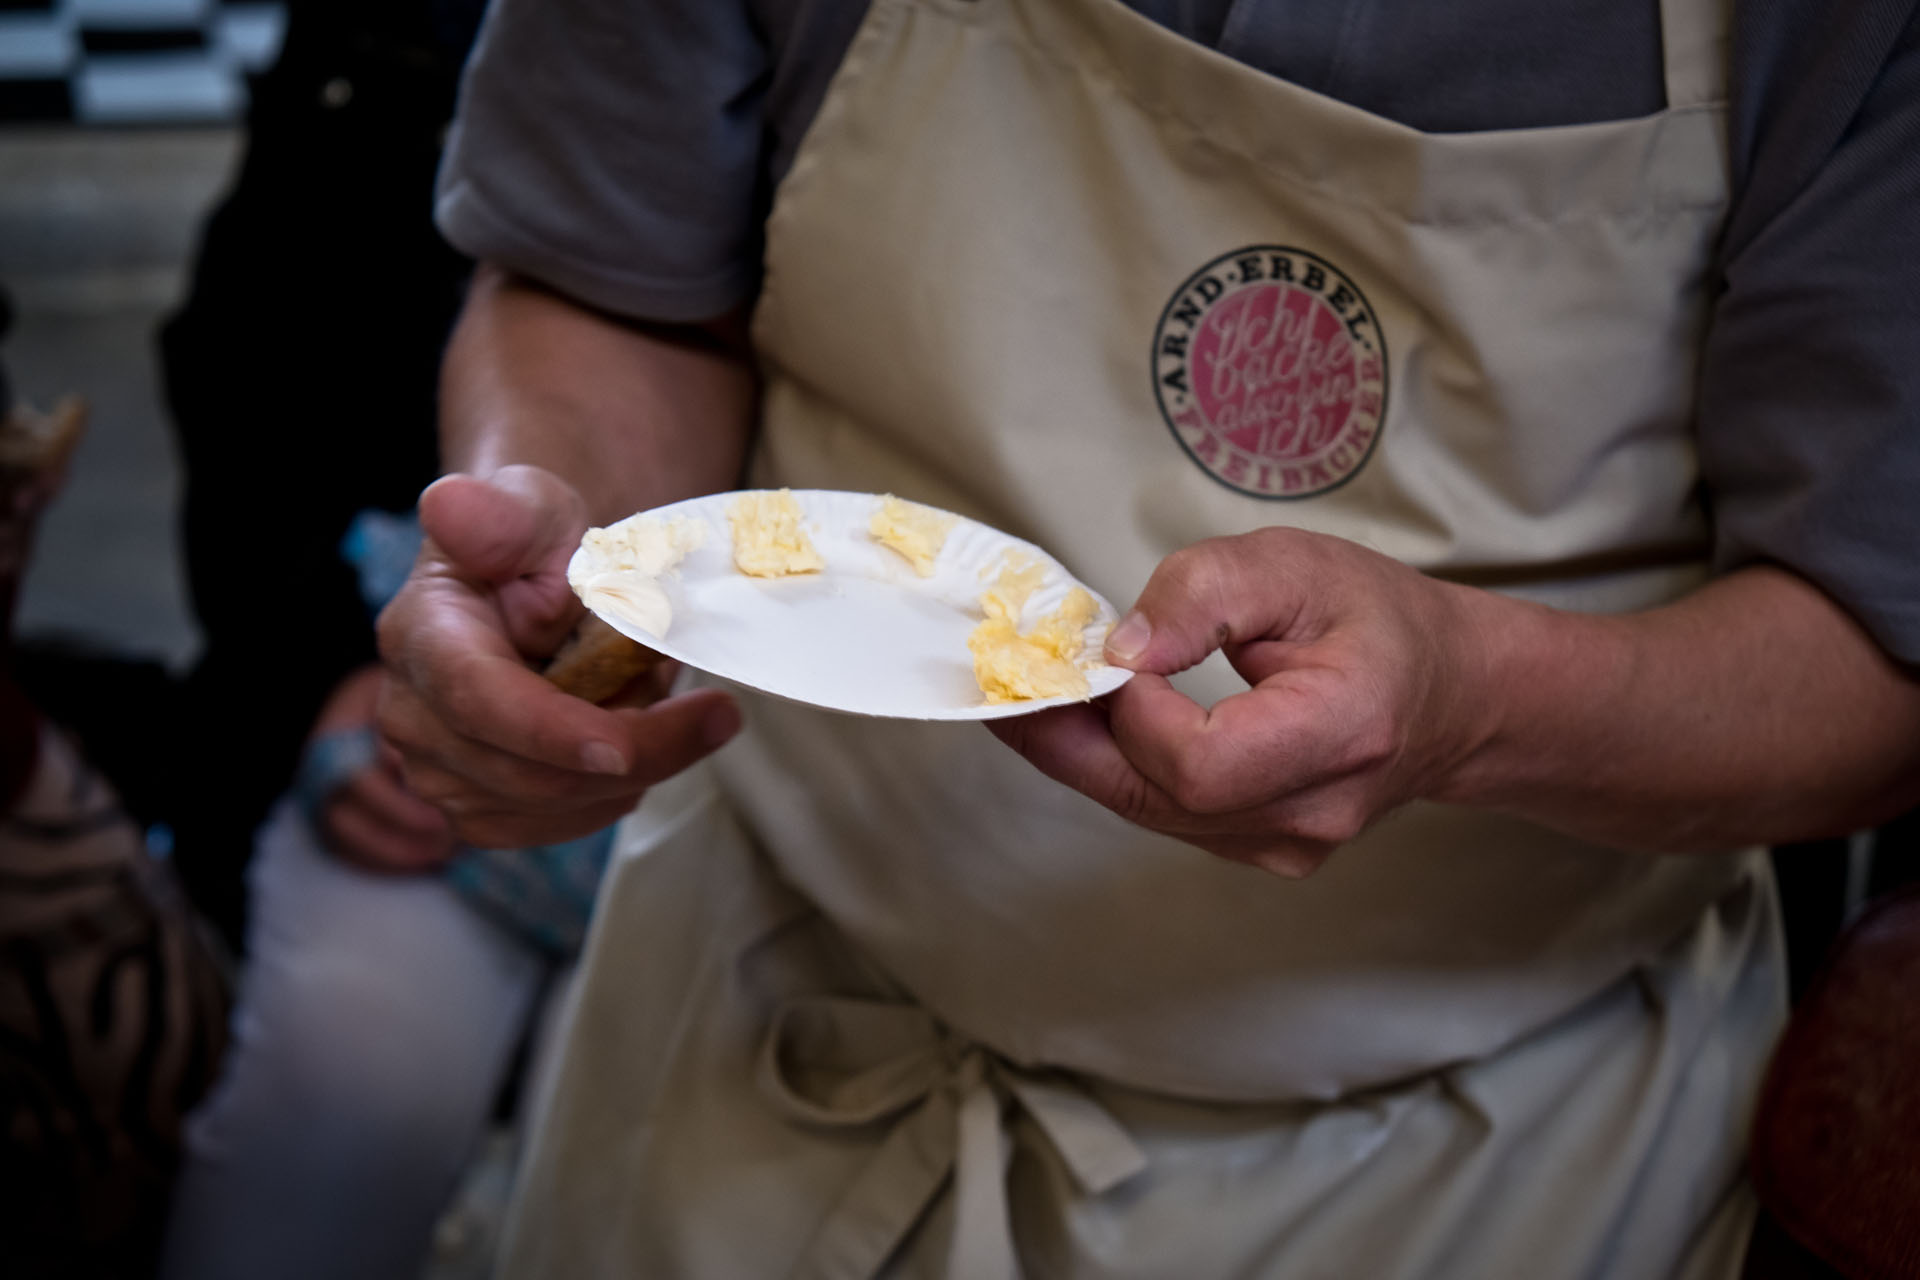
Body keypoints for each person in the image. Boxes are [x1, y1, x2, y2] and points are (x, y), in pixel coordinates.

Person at [375, 0, 1920, 1275]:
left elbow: (1870, 649)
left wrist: (1475, 703)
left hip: (1474, 1164)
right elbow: (617, 284)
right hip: (762, 1033)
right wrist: (569, 555)